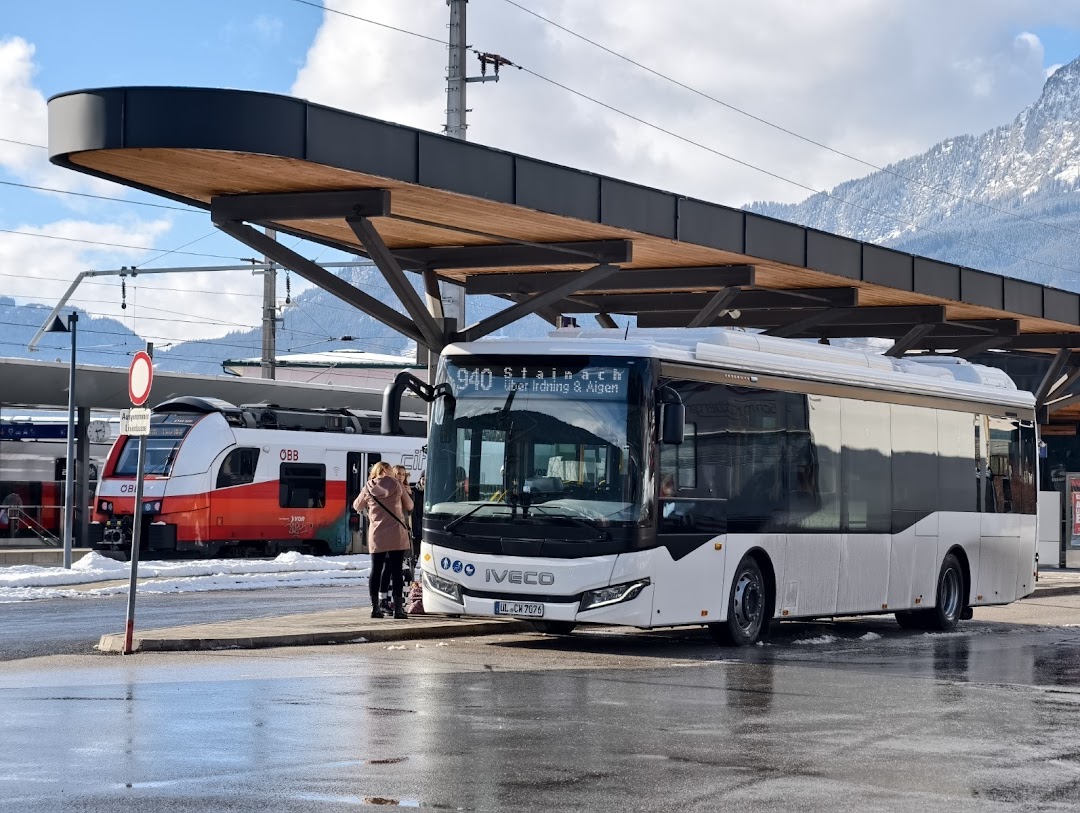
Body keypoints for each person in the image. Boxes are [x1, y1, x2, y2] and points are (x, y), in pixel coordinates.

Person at [352, 461, 413, 619]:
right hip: (396, 534)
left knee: (376, 570)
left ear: (375, 472)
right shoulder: (397, 484)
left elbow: (357, 506)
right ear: (388, 472)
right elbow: (410, 505)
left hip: (377, 534)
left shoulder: (368, 487)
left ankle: (375, 608)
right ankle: (398, 610)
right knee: (396, 571)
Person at [378, 465, 414, 611]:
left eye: (403, 474)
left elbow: (410, 512)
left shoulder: (408, 491)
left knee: (401, 570)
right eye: (397, 474)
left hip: (403, 534)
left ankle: (399, 602)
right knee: (387, 569)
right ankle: (383, 600)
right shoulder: (390, 490)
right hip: (389, 533)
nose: (400, 476)